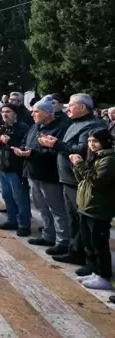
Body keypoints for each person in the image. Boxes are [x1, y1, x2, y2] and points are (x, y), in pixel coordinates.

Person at [39, 93, 105, 265]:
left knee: (83, 221)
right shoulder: (75, 123)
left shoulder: (91, 125)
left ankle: (89, 258)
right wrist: (55, 142)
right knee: (74, 220)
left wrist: (55, 144)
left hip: (79, 180)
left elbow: (81, 149)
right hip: (68, 178)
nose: (67, 108)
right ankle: (75, 251)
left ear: (82, 107)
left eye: (71, 104)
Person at [14, 98, 69, 253]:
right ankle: (48, 235)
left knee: (56, 209)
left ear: (47, 113)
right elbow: (26, 141)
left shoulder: (60, 128)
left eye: (36, 111)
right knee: (41, 207)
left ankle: (63, 241)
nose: (32, 114)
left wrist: (34, 152)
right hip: (33, 171)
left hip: (49, 174)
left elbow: (57, 151)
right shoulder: (35, 127)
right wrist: (23, 149)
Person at [70, 128, 114, 290]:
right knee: (89, 242)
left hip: (98, 207)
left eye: (95, 141)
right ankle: (95, 270)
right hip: (86, 205)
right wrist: (77, 166)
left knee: (99, 243)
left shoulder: (108, 160)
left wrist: (80, 164)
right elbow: (83, 179)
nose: (91, 145)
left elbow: (97, 181)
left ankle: (104, 275)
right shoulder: (95, 157)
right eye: (89, 141)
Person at [0, 103, 31, 236]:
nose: (4, 114)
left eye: (8, 112)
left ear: (15, 113)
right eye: (3, 112)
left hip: (16, 169)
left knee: (20, 197)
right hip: (3, 167)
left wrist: (11, 141)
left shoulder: (23, 128)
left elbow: (25, 146)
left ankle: (24, 224)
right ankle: (12, 220)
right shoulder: (4, 128)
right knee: (7, 196)